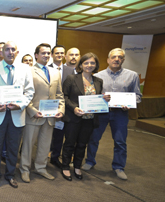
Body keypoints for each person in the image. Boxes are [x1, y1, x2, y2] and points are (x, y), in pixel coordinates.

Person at [83, 48, 142, 180]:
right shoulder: (97, 76)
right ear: (108, 60)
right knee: (94, 138)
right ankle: (89, 161)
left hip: (121, 113)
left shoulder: (132, 75)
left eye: (120, 57)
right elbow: (93, 95)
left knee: (120, 141)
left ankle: (118, 167)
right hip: (102, 112)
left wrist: (131, 104)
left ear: (123, 60)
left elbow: (137, 95)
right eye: (114, 57)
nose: (116, 59)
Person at [0, 41, 34, 189]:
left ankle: (10, 175)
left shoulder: (25, 69)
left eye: (13, 49)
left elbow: (29, 91)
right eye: (7, 49)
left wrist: (20, 104)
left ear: (17, 53)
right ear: (2, 52)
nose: (10, 52)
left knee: (13, 148)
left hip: (17, 114)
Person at [19, 43, 64, 183]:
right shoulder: (28, 71)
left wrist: (61, 110)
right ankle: (24, 169)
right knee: (28, 145)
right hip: (34, 115)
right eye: (43, 53)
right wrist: (32, 110)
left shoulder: (56, 72)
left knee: (45, 145)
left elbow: (59, 94)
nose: (46, 55)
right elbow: (23, 94)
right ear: (36, 55)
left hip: (50, 117)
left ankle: (41, 168)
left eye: (48, 53)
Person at [61, 52, 109, 181]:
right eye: (86, 63)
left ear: (96, 65)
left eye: (92, 63)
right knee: (70, 143)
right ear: (81, 65)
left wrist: (105, 98)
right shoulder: (71, 78)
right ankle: (65, 167)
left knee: (82, 144)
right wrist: (74, 108)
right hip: (74, 118)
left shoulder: (98, 81)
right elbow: (64, 97)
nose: (89, 65)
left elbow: (98, 98)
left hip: (89, 119)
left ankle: (77, 167)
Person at [48, 45, 75, 169]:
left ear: (64, 56)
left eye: (61, 53)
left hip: (65, 107)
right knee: (48, 133)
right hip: (49, 106)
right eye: (56, 53)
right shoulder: (46, 69)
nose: (59, 55)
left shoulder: (70, 70)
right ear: (52, 55)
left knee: (60, 134)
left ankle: (55, 157)